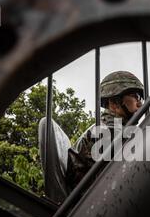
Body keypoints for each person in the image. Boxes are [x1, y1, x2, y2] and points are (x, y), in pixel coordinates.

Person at [38, 71, 143, 203]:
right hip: (88, 205)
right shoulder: (110, 132)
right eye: (135, 96)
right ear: (114, 103)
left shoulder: (115, 130)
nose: (140, 103)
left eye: (140, 98)